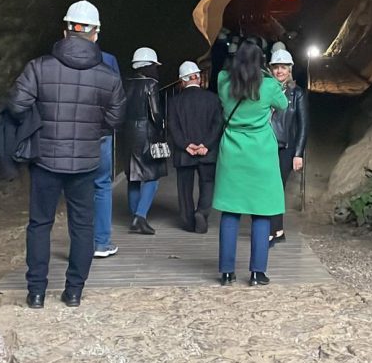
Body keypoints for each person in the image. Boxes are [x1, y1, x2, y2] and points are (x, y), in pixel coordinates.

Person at [7, 0, 126, 308]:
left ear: (65, 31)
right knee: (82, 226)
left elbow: (17, 105)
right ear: (96, 34)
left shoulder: (39, 67)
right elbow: (115, 120)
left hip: (45, 159)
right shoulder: (108, 76)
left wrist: (39, 125)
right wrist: (91, 131)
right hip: (86, 162)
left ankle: (35, 293)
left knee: (40, 224)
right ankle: (73, 291)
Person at [214, 42, 289, 286]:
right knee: (262, 212)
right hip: (261, 154)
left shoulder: (224, 80)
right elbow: (284, 105)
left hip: (232, 151)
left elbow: (227, 76)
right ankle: (257, 272)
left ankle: (226, 272)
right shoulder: (268, 86)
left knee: (230, 211)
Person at [168, 61, 223, 234]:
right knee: (207, 183)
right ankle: (202, 212)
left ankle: (188, 220)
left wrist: (186, 145)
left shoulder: (174, 101)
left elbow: (172, 127)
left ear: (182, 81)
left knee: (184, 187)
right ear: (198, 78)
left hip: (185, 153)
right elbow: (218, 124)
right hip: (207, 152)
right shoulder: (213, 98)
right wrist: (206, 144)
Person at [122, 47, 167, 234]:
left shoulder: (126, 82)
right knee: (152, 176)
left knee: (133, 176)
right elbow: (155, 113)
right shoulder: (151, 84)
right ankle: (140, 216)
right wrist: (162, 128)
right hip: (146, 133)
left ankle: (135, 217)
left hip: (128, 133)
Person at [268, 49, 309, 246]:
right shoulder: (265, 89)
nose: (279, 71)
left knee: (276, 188)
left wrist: (298, 153)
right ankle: (276, 230)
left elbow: (303, 125)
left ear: (290, 69)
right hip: (265, 146)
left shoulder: (297, 93)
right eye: (276, 67)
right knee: (267, 187)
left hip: (286, 148)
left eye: (283, 67)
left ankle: (273, 230)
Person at [94, 49, 121, 259]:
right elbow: (117, 99)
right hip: (100, 133)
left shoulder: (51, 60)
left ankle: (80, 243)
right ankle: (100, 243)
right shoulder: (108, 60)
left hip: (65, 136)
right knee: (101, 184)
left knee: (74, 187)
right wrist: (108, 124)